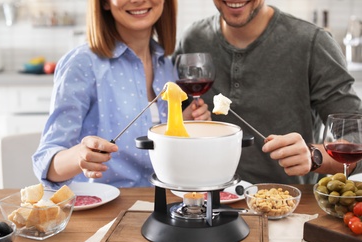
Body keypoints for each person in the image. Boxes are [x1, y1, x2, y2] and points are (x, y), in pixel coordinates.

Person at [174, 0, 362, 184]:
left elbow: (358, 136)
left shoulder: (312, 43)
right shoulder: (192, 39)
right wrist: (184, 121)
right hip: (206, 200)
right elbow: (172, 124)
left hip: (287, 205)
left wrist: (314, 155)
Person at [32, 0, 211, 189]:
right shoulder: (82, 64)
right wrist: (79, 156)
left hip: (161, 204)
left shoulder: (167, 67)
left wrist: (185, 123)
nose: (138, 0)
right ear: (105, 4)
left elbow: (166, 154)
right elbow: (45, 162)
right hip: (105, 209)